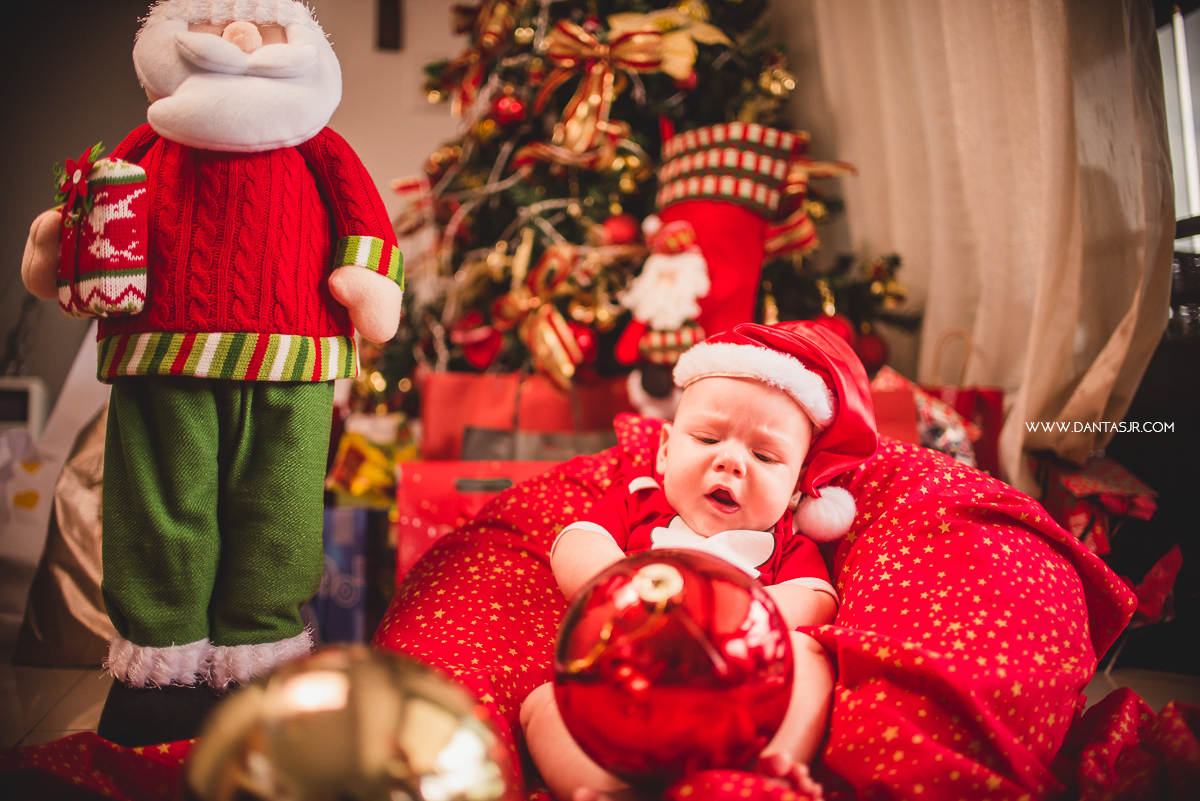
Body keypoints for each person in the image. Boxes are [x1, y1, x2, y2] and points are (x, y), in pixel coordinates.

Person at [20, 0, 403, 746]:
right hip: (158, 350)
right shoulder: (149, 136)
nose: (236, 38)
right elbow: (92, 210)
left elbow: (365, 220)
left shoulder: (320, 145)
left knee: (279, 512)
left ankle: (258, 662)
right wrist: (58, 243)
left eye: (262, 27)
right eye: (214, 22)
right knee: (160, 507)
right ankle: (159, 671)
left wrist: (368, 277)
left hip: (292, 358)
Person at [520, 321, 879, 801]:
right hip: (622, 694)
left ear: (796, 489)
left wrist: (741, 616)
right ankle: (605, 788)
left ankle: (769, 771)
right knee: (540, 704)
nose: (732, 463)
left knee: (811, 660)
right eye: (708, 439)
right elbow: (576, 540)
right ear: (665, 451)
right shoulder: (640, 501)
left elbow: (815, 601)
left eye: (766, 456)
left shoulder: (786, 543)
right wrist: (618, 585)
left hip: (739, 701)